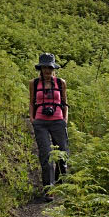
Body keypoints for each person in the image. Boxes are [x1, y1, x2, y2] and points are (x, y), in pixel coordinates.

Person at [29, 53, 69, 202]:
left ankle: (59, 182)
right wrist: (32, 118)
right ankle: (49, 189)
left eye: (49, 68)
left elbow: (65, 102)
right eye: (44, 67)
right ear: (41, 68)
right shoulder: (34, 83)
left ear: (53, 68)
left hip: (58, 121)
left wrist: (65, 119)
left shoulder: (60, 82)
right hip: (40, 122)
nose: (47, 70)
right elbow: (32, 101)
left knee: (62, 155)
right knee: (46, 155)